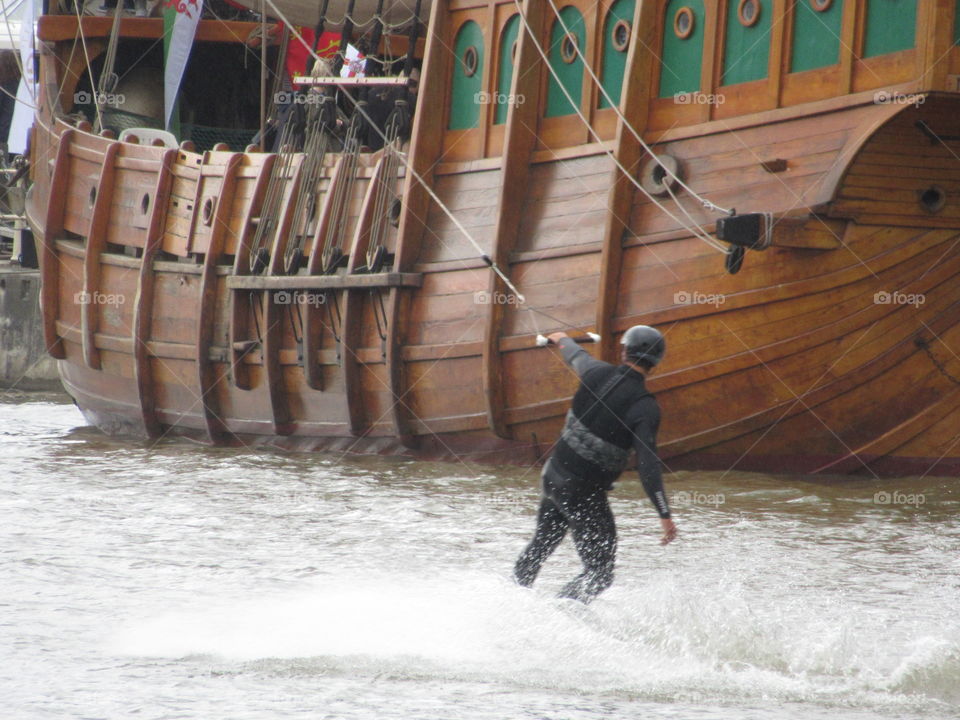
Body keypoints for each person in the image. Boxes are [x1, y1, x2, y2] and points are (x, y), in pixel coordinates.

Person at [514, 325, 678, 603]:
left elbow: (573, 353)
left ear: (624, 350)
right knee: (600, 573)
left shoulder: (594, 370)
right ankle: (557, 617)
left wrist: (559, 337)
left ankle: (512, 600)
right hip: (582, 494)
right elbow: (648, 466)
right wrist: (664, 514)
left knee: (540, 546)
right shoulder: (645, 407)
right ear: (656, 362)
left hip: (553, 477)